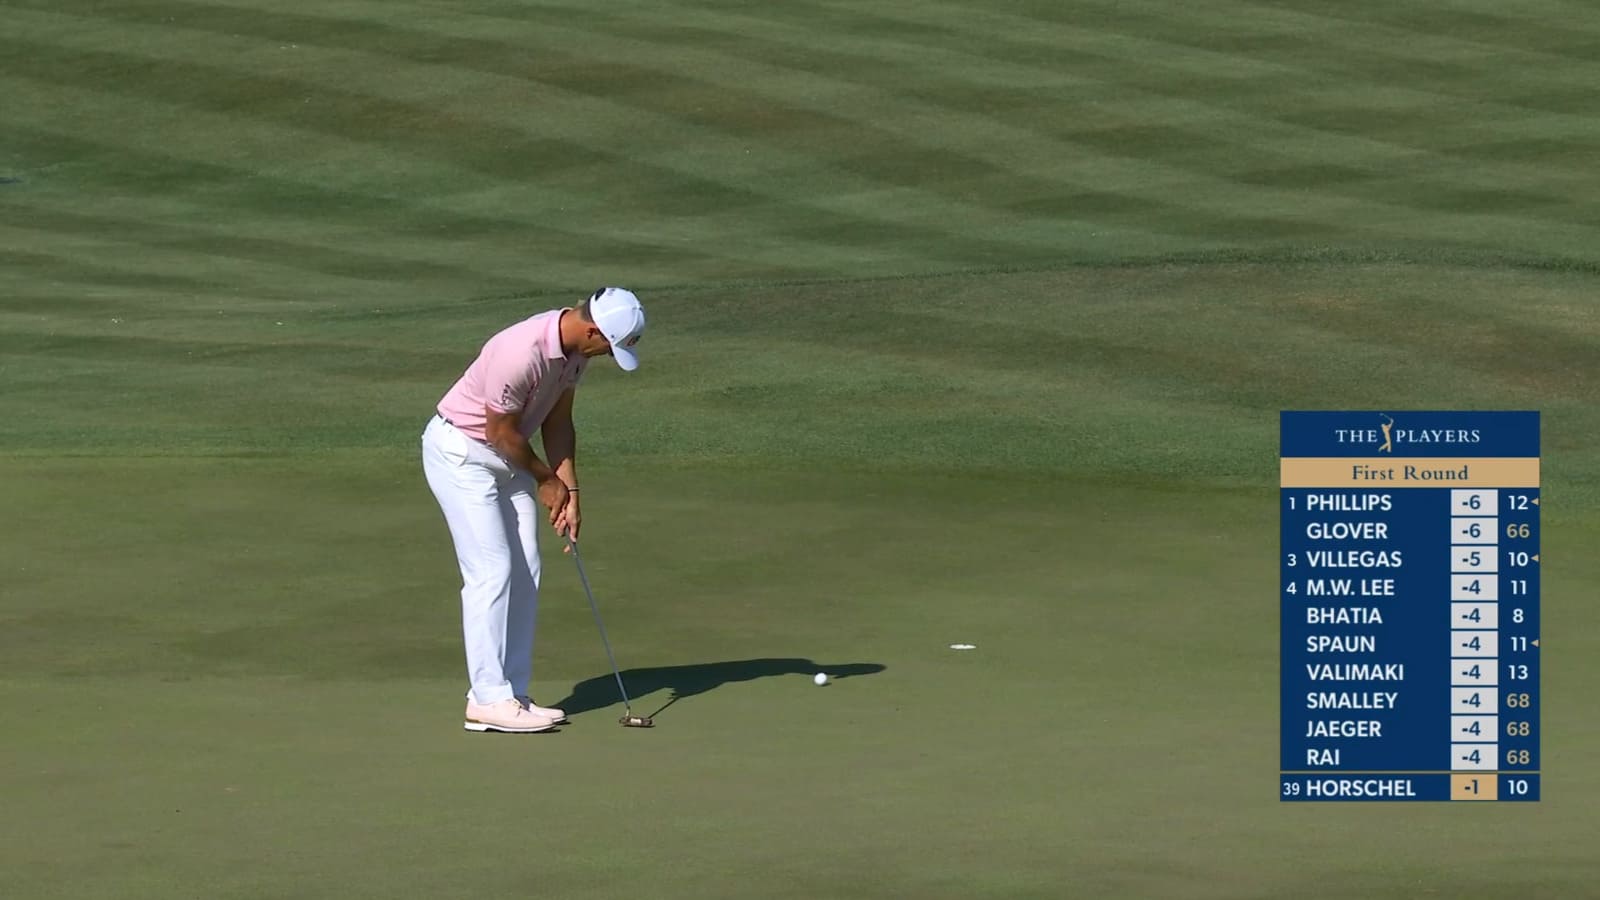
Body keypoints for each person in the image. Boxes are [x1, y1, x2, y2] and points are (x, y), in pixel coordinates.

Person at [421, 287, 645, 733]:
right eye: (608, 346)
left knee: (527, 567)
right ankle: (486, 698)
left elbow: (557, 422)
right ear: (593, 329)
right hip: (462, 455)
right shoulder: (519, 351)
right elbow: (500, 432)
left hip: (508, 458)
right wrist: (545, 480)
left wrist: (570, 489)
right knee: (491, 570)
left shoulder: (575, 353)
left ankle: (513, 694)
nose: (605, 356)